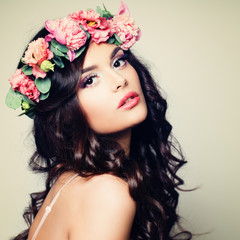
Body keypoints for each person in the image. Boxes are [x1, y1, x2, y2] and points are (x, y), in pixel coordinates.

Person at [6, 2, 192, 240]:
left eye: (118, 62)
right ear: (65, 111)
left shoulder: (70, 179)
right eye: (90, 80)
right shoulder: (108, 192)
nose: (119, 80)